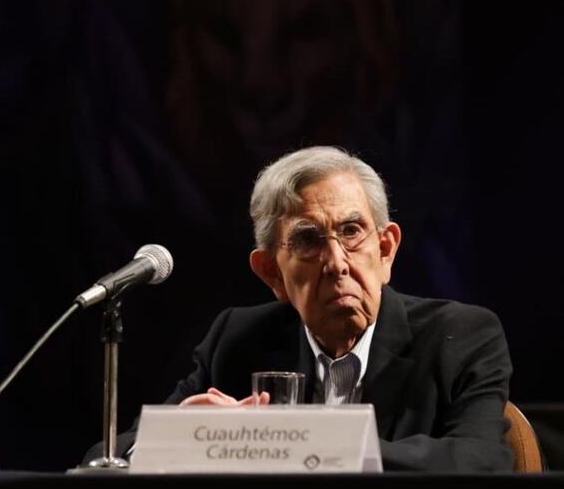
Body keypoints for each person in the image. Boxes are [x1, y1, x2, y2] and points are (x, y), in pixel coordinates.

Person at [92, 146, 513, 471]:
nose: (336, 262)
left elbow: (483, 459)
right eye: (308, 241)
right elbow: (106, 455)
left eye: (351, 232)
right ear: (272, 272)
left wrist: (303, 443)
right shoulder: (238, 339)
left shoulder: (461, 336)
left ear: (385, 251)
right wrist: (178, 435)